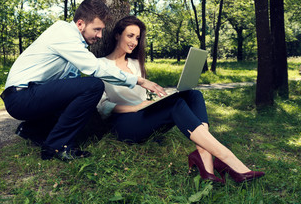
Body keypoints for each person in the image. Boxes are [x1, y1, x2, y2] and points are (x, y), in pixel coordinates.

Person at [97, 16, 265, 183]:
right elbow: (102, 107)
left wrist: (157, 100)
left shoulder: (135, 64)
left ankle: (204, 156)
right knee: (176, 105)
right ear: (118, 35)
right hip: (124, 125)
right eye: (130, 35)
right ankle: (227, 157)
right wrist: (136, 107)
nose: (134, 41)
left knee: (193, 95)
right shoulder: (101, 65)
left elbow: (141, 96)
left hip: (144, 117)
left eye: (137, 37)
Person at [0, 0, 166, 162]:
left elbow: (71, 86)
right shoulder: (63, 33)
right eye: (97, 29)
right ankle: (55, 146)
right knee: (94, 85)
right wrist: (140, 81)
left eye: (102, 30)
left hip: (34, 96)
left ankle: (33, 130)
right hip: (21, 97)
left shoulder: (75, 45)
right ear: (80, 24)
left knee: (92, 124)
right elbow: (95, 68)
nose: (100, 35)